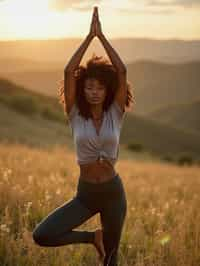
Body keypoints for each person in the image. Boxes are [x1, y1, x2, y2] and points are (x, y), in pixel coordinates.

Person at [32, 6, 134, 266]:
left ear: (107, 90)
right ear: (82, 89)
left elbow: (122, 71)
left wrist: (103, 37)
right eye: (89, 87)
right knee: (42, 235)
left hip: (113, 192)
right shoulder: (74, 112)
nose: (94, 92)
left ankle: (105, 246)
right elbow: (68, 71)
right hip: (86, 193)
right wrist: (89, 37)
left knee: (111, 260)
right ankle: (93, 238)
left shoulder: (116, 112)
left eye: (100, 87)